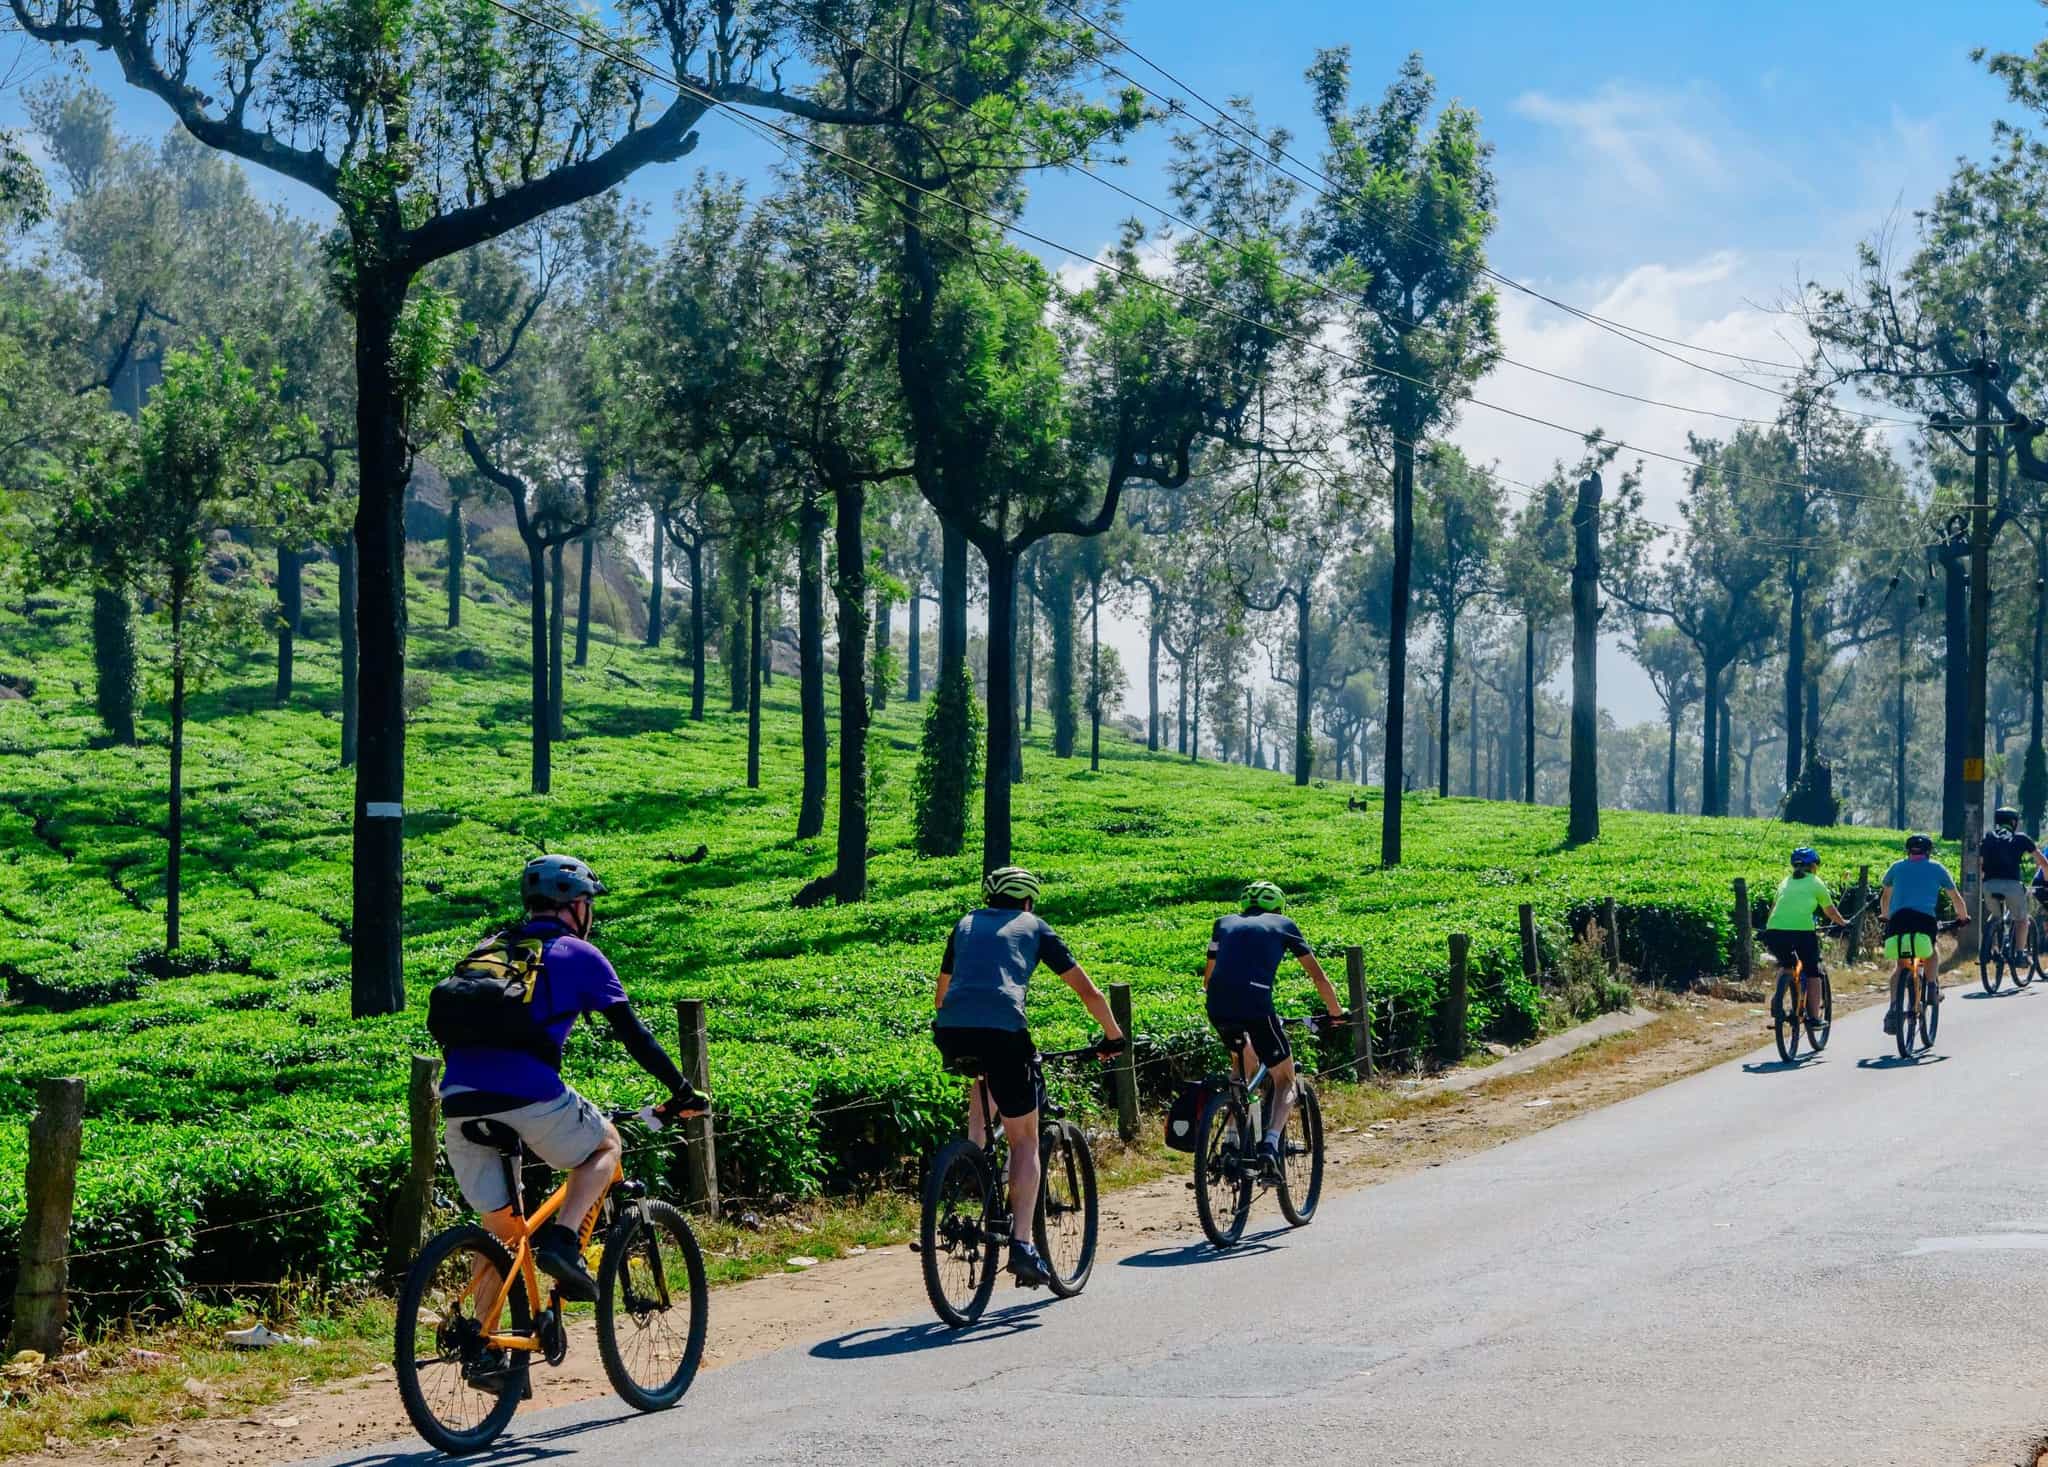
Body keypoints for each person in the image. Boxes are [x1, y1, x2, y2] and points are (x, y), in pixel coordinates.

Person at [437, 855, 705, 1305]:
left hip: (459, 1097)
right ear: (576, 906)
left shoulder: (491, 948)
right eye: (589, 904)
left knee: (502, 1233)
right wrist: (681, 1090)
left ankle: (486, 1351)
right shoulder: (577, 953)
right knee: (605, 1145)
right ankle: (564, 1244)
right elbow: (633, 1035)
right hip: (527, 1093)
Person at [932, 866, 1125, 1289]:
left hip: (951, 1031)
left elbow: (941, 993)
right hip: (1004, 1030)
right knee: (1026, 1141)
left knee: (983, 1081)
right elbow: (1088, 991)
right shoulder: (1035, 926)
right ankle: (1022, 1244)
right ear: (1028, 900)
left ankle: (972, 1162)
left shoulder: (964, 924)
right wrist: (1114, 1035)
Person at [1203, 880, 1345, 1178]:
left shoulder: (1223, 923)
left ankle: (1230, 1142)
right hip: (1256, 1002)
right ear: (1279, 907)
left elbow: (1208, 978)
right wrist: (1335, 1012)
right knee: (1286, 1079)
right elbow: (1317, 977)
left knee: (1242, 1066)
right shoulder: (1284, 924)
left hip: (1217, 1003)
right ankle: (1269, 1144)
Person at [1878, 833, 1970, 1034]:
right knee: (1930, 951)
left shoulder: (1896, 867)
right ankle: (1930, 987)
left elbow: (1885, 894)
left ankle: (1894, 1007)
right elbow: (1955, 897)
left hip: (1899, 919)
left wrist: (1886, 915)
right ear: (1929, 851)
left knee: (1901, 966)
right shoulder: (1936, 868)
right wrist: (1963, 917)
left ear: (1907, 850)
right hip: (1923, 919)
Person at [1761, 847, 1847, 1024]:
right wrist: (1843, 923)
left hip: (1774, 930)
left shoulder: (1785, 882)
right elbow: (1830, 910)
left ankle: (1777, 998)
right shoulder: (1815, 882)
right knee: (1812, 972)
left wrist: (1769, 929)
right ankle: (1814, 1017)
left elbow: (1774, 907)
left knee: (1786, 966)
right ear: (1814, 866)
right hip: (1802, 931)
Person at [1977, 806, 2048, 952]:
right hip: (2012, 885)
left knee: (1995, 917)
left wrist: (1985, 881)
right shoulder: (2021, 838)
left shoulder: (1988, 837)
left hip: (1989, 885)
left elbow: (1980, 865)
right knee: (2022, 920)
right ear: (2014, 822)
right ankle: (2020, 954)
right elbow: (2043, 863)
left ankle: (1991, 949)